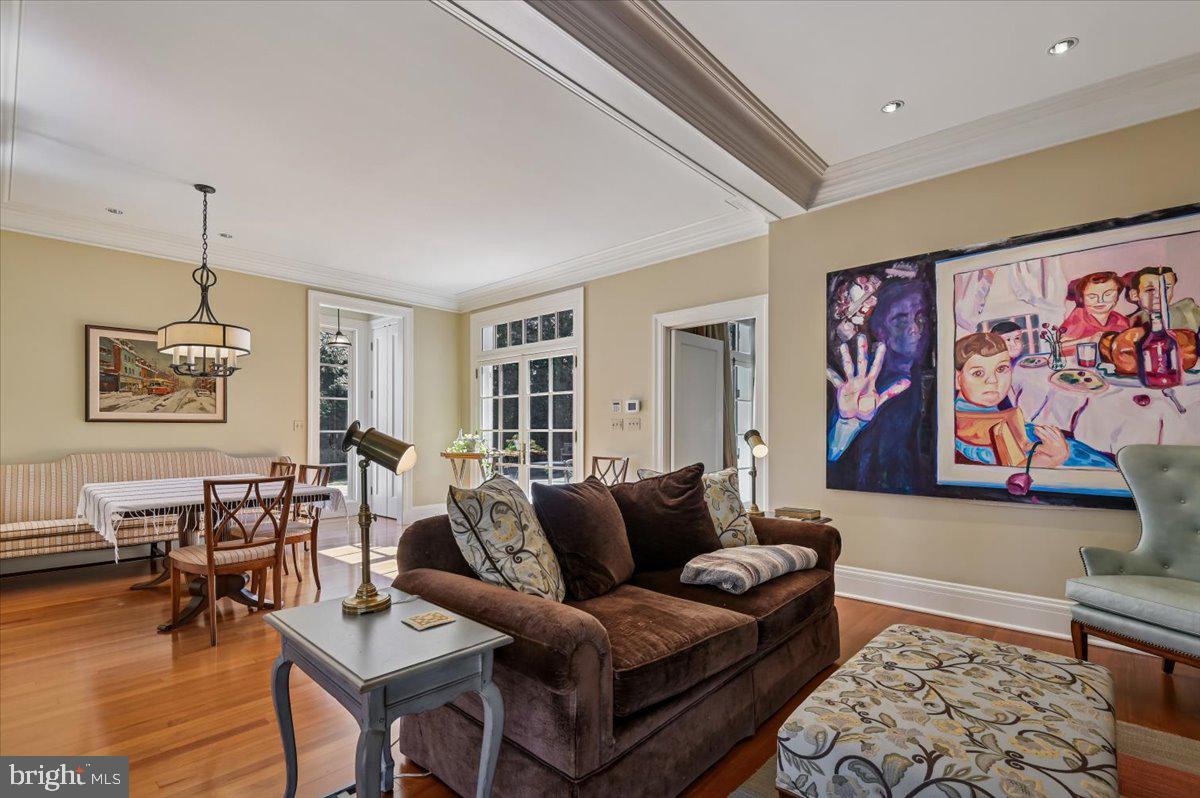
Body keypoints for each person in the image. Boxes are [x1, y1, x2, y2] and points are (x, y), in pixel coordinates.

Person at [826, 277, 933, 494]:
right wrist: (848, 425)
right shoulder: (862, 385)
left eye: (921, 318)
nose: (916, 329)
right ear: (878, 329)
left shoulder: (928, 382)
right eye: (901, 320)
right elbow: (831, 464)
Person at [952, 332, 1112, 469]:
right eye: (978, 373)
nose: (993, 381)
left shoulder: (972, 411)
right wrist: (1054, 457)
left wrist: (1036, 446)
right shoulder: (972, 426)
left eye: (1001, 369)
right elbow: (1010, 471)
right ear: (958, 379)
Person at [1059, 271, 1129, 355]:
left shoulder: (1121, 321)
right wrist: (1089, 340)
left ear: (1117, 296)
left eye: (1108, 294)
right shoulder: (1076, 319)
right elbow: (1058, 349)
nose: (1100, 300)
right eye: (1092, 296)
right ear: (1082, 298)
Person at [1124, 265, 1200, 332]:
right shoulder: (1127, 324)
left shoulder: (1189, 313)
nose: (1159, 295)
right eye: (1150, 290)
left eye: (1166, 288)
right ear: (1134, 295)